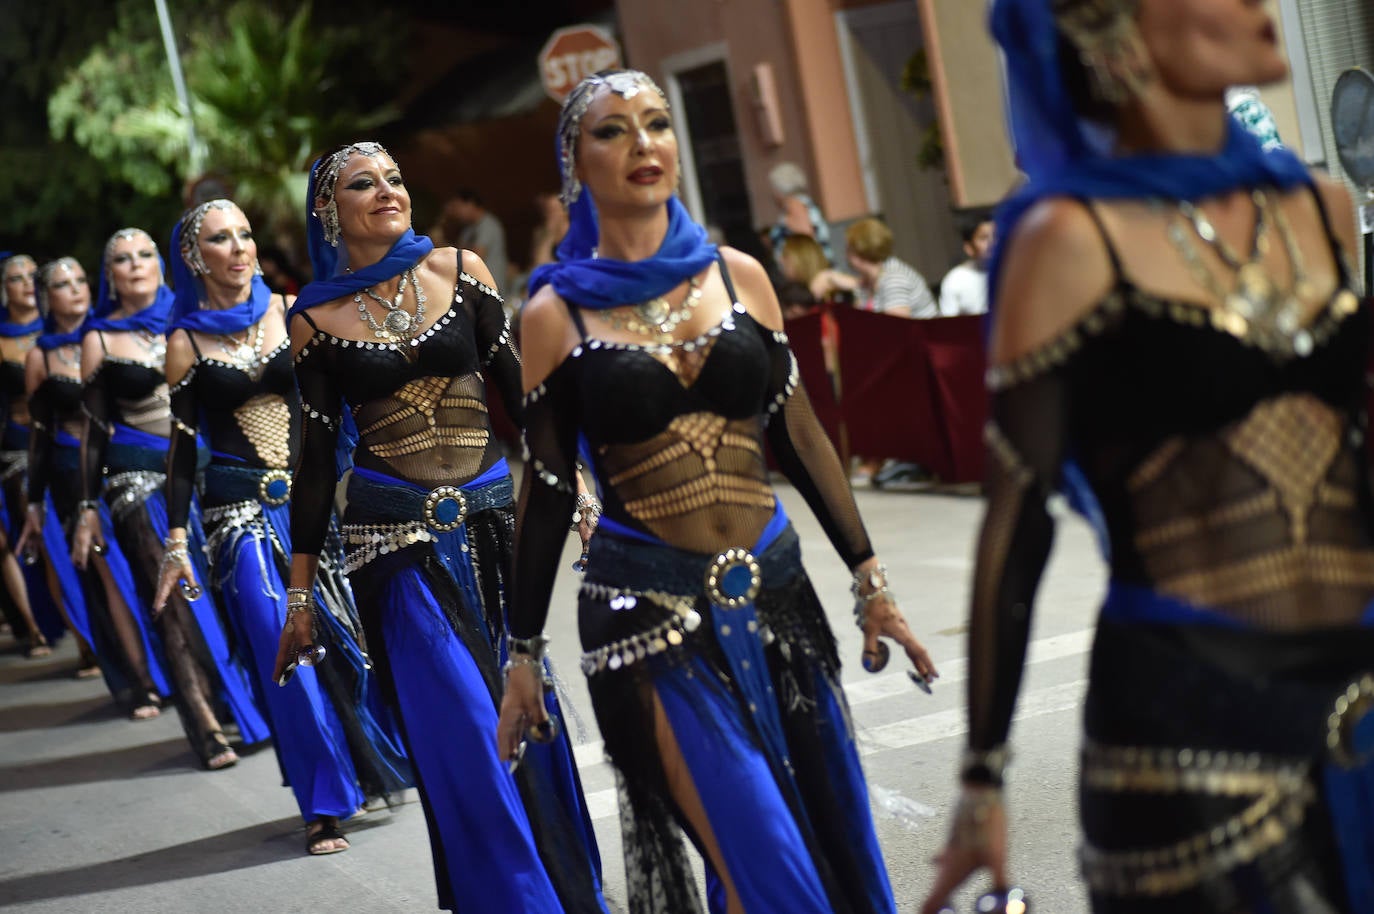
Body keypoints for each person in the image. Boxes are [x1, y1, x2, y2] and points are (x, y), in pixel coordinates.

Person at [920, 2, 1371, 912]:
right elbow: (1019, 517)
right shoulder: (1065, 239)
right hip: (1187, 730)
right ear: (1109, 34)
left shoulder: (1320, 211)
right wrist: (983, 774)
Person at [498, 69, 939, 914]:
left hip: (778, 595)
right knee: (765, 859)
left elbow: (800, 433)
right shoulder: (556, 312)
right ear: (575, 165)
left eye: (658, 123)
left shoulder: (738, 276)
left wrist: (870, 581)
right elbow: (549, 493)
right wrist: (522, 654)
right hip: (648, 617)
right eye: (613, 130)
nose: (643, 144)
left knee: (830, 838)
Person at [275, 142, 607, 912]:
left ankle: (568, 888)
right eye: (364, 183)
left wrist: (579, 489)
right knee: (464, 729)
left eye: (394, 177)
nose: (388, 191)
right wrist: (299, 597)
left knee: (527, 714)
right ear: (330, 211)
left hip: (493, 531)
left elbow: (525, 400)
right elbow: (316, 465)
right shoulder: (316, 320)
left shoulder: (463, 273)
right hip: (395, 548)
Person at [156, 199, 411, 854]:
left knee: (352, 642)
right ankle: (322, 804)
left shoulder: (290, 310)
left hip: (313, 509)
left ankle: (382, 758)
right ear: (194, 257)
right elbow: (183, 450)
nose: (239, 247)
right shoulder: (184, 342)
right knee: (282, 647)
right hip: (236, 516)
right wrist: (176, 541)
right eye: (221, 238)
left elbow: (344, 399)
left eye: (245, 233)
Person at [74, 228, 270, 769]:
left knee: (230, 596)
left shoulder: (192, 320)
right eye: (121, 258)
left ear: (163, 265)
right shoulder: (100, 338)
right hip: (135, 482)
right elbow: (93, 434)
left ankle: (243, 705)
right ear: (108, 274)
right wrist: (87, 508)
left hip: (204, 472)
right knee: (175, 604)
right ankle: (204, 726)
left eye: (144, 254)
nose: (135, 265)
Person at [0, 254, 57, 658]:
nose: (23, 283)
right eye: (14, 278)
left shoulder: (63, 322)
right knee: (33, 537)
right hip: (18, 445)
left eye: (30, 276)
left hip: (68, 442)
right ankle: (36, 626)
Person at [811, 218, 939, 319]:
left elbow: (896, 332)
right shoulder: (873, 280)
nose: (845, 253)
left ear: (859, 252)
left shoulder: (894, 279)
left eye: (848, 248)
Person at [768, 161, 835, 266]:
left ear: (778, 190)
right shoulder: (803, 203)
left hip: (812, 273)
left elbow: (807, 244)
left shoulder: (795, 206)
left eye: (772, 188)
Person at [451, 187, 510, 295]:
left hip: (490, 288)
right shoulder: (468, 230)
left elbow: (477, 256)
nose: (456, 212)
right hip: (476, 288)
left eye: (458, 206)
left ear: (470, 204)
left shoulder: (489, 225)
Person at [938, 214, 995, 316]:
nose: (992, 243)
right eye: (984, 238)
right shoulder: (955, 280)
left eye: (997, 236)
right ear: (969, 247)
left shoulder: (1018, 272)